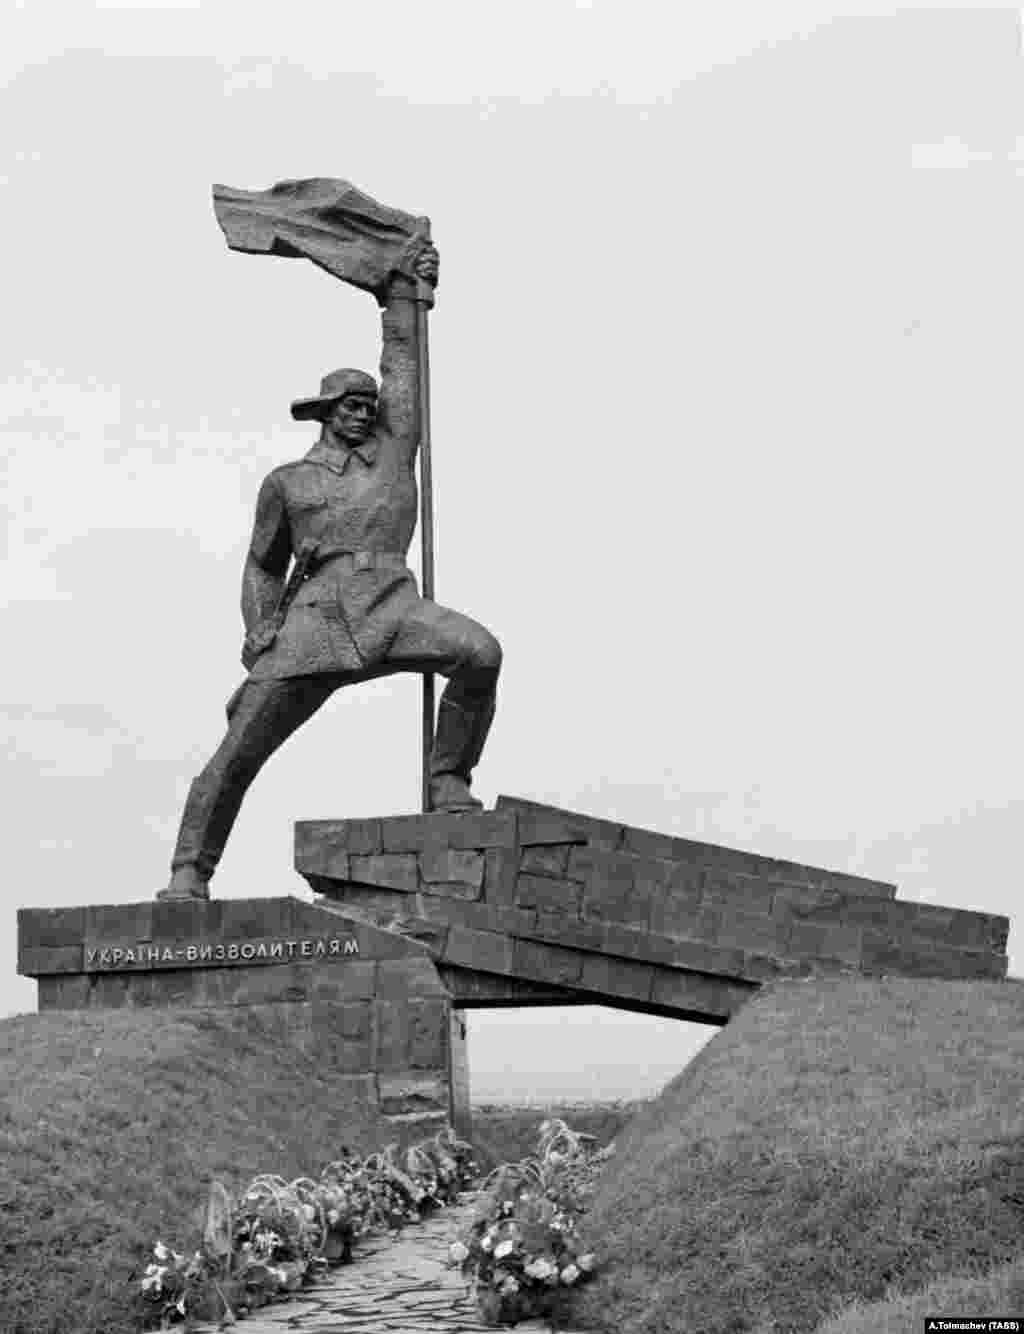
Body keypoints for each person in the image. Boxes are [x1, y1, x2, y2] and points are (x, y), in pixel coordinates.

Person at [159, 244, 501, 901]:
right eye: (348, 403)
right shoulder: (287, 483)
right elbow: (262, 565)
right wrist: (260, 629)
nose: (362, 410)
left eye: (367, 403)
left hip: (392, 607)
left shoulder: (396, 453)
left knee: (480, 653)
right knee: (238, 751)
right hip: (312, 625)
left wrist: (403, 295)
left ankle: (447, 781)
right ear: (323, 412)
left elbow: (403, 365)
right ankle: (188, 872)